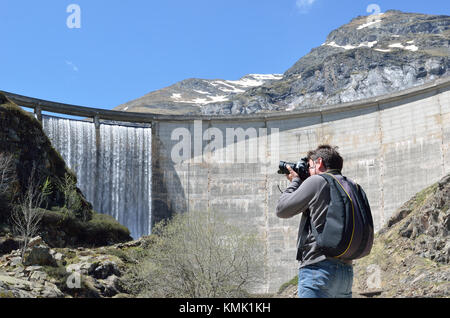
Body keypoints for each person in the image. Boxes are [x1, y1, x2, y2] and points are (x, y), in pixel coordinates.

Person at [276, 145, 354, 298]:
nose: (309, 172)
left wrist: (296, 181)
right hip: (346, 272)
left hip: (318, 270)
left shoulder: (318, 181)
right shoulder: (349, 185)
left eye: (310, 167)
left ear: (319, 163)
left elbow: (282, 209)